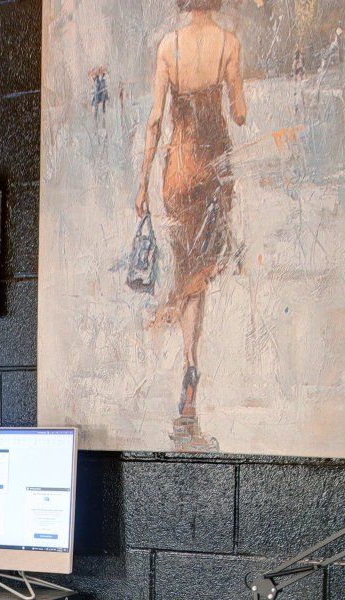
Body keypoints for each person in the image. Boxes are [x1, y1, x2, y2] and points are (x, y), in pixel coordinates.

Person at [135, 0, 247, 426]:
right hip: (213, 169)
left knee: (186, 265)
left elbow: (154, 120)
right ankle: (189, 355)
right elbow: (240, 113)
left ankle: (188, 357)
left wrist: (142, 182)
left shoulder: (169, 46)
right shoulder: (229, 44)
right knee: (201, 268)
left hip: (178, 170)